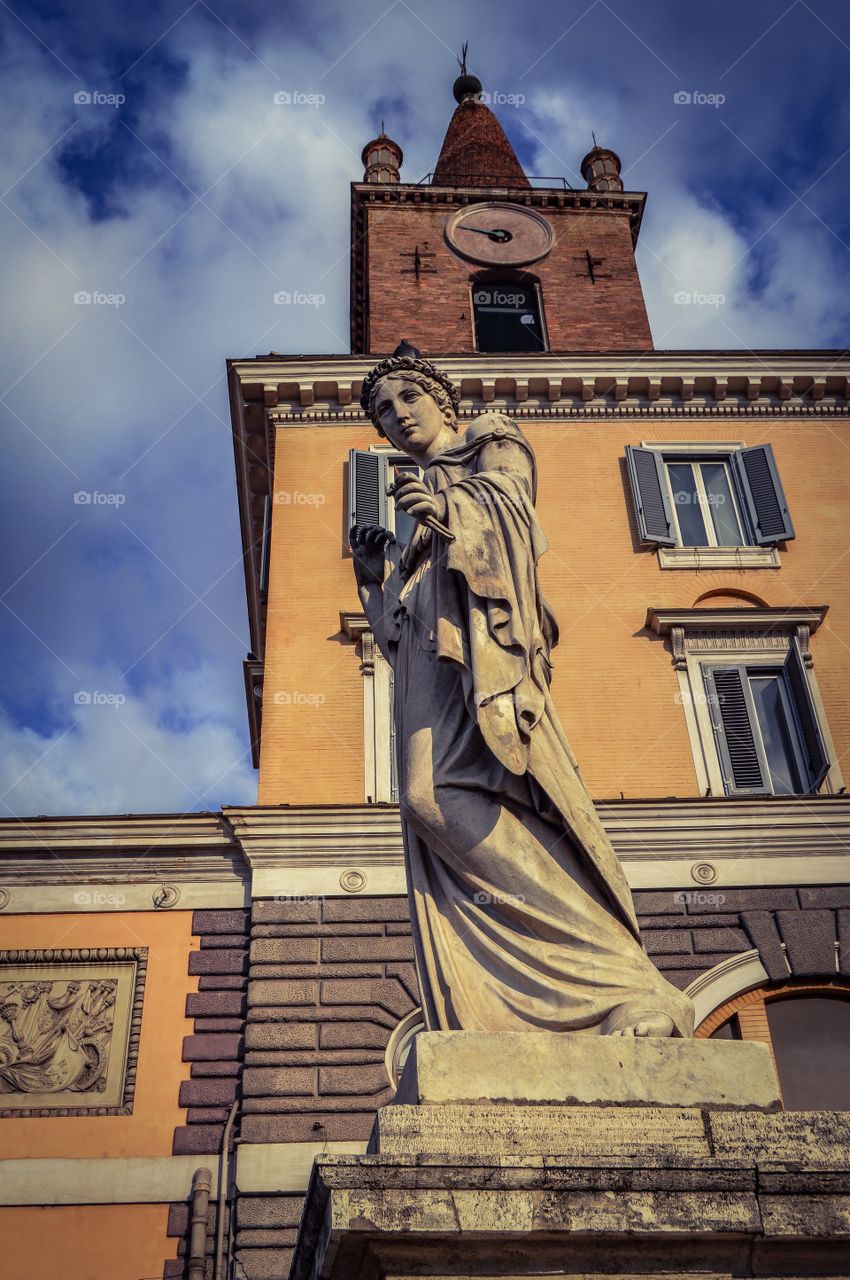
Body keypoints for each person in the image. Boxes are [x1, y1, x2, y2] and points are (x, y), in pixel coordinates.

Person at [350, 343, 694, 1038]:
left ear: (442, 402)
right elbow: (391, 635)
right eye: (384, 412)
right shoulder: (418, 513)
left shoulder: (489, 436)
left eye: (409, 398)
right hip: (426, 656)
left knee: (433, 796)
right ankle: (575, 981)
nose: (397, 416)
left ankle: (621, 974)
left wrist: (448, 509)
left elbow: (514, 511)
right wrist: (370, 577)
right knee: (424, 801)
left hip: (482, 660)